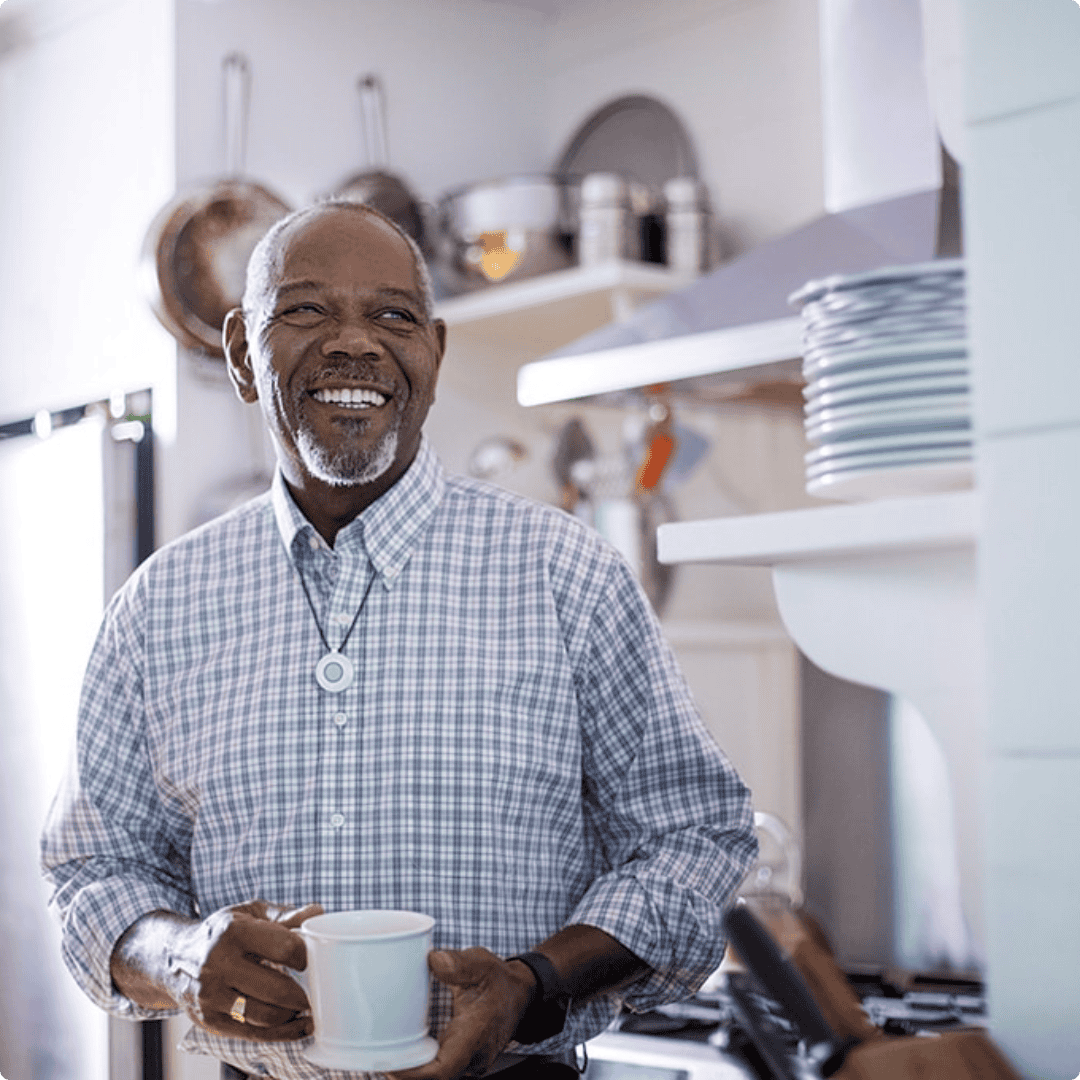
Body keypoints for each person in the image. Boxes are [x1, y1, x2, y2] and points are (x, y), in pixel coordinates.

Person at [41, 200, 758, 1080]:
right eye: (305, 309)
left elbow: (694, 840)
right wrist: (178, 956)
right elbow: (94, 872)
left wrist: (534, 983)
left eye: (393, 316)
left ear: (434, 352)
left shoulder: (566, 573)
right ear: (239, 353)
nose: (356, 343)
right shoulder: (160, 604)